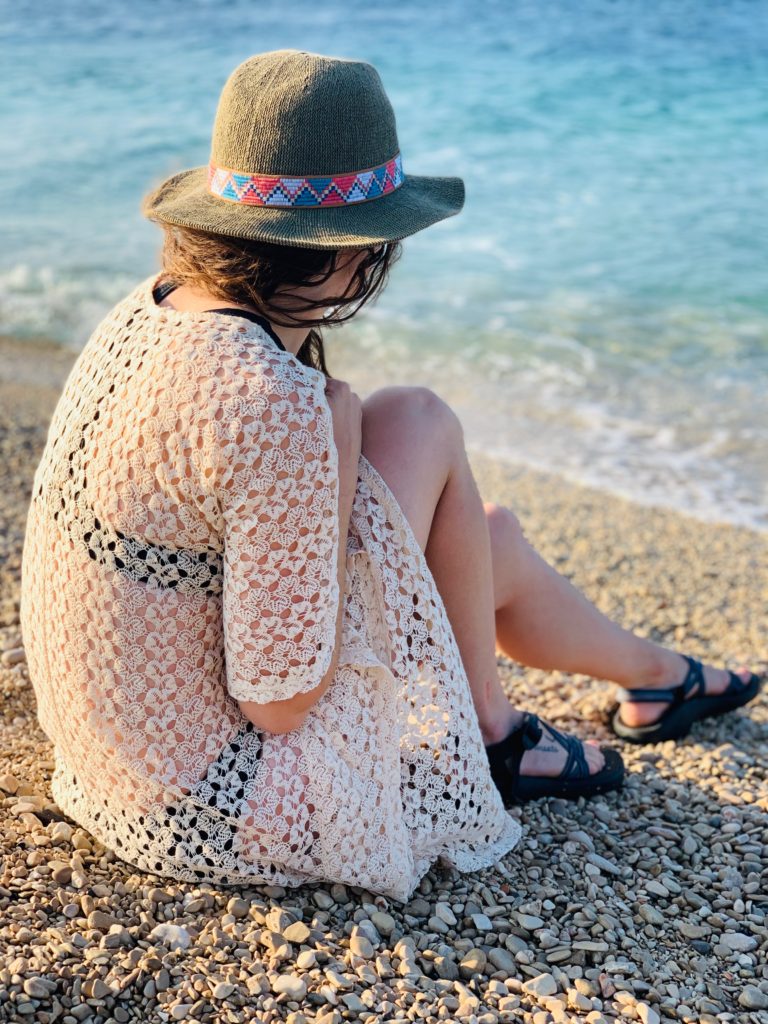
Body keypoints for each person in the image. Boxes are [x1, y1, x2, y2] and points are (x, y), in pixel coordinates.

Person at [20, 50, 762, 903]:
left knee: (477, 522)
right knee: (428, 436)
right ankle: (519, 727)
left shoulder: (150, 308)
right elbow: (279, 704)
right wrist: (332, 435)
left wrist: (326, 443)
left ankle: (644, 682)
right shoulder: (272, 402)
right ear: (348, 249)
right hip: (214, 801)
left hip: (110, 754)